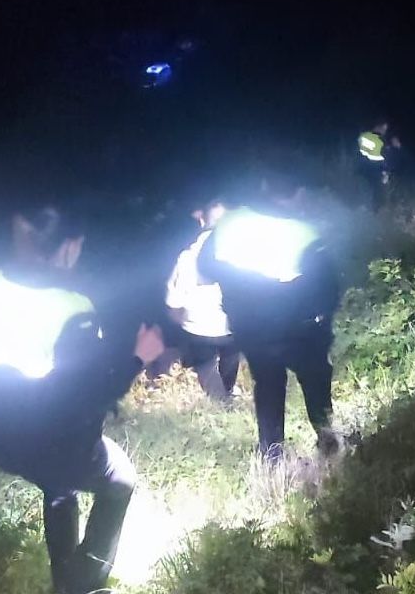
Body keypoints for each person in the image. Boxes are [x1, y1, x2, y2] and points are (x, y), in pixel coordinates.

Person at [0, 207, 164, 594]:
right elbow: (86, 395)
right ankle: (85, 588)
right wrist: (139, 357)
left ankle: (64, 578)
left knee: (59, 480)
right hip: (49, 441)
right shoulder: (73, 309)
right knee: (120, 481)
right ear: (69, 248)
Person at [196, 174, 341, 460]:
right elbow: (329, 291)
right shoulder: (304, 233)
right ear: (299, 191)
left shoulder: (231, 222)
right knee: (315, 384)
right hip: (301, 332)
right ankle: (329, 442)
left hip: (251, 329)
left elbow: (205, 268)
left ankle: (271, 455)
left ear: (264, 186)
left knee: (268, 386)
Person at [165, 199, 240, 402]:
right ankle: (227, 391)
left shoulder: (187, 257)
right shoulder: (242, 252)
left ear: (201, 220)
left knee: (204, 361)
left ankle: (219, 399)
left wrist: (178, 325)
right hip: (233, 326)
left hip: (197, 328)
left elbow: (175, 301)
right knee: (231, 353)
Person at [356, 118, 402, 211]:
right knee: (375, 201)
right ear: (381, 127)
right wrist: (395, 147)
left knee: (360, 198)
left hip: (360, 171)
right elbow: (388, 159)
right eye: (385, 128)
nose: (385, 131)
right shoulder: (381, 142)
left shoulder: (363, 136)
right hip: (375, 175)